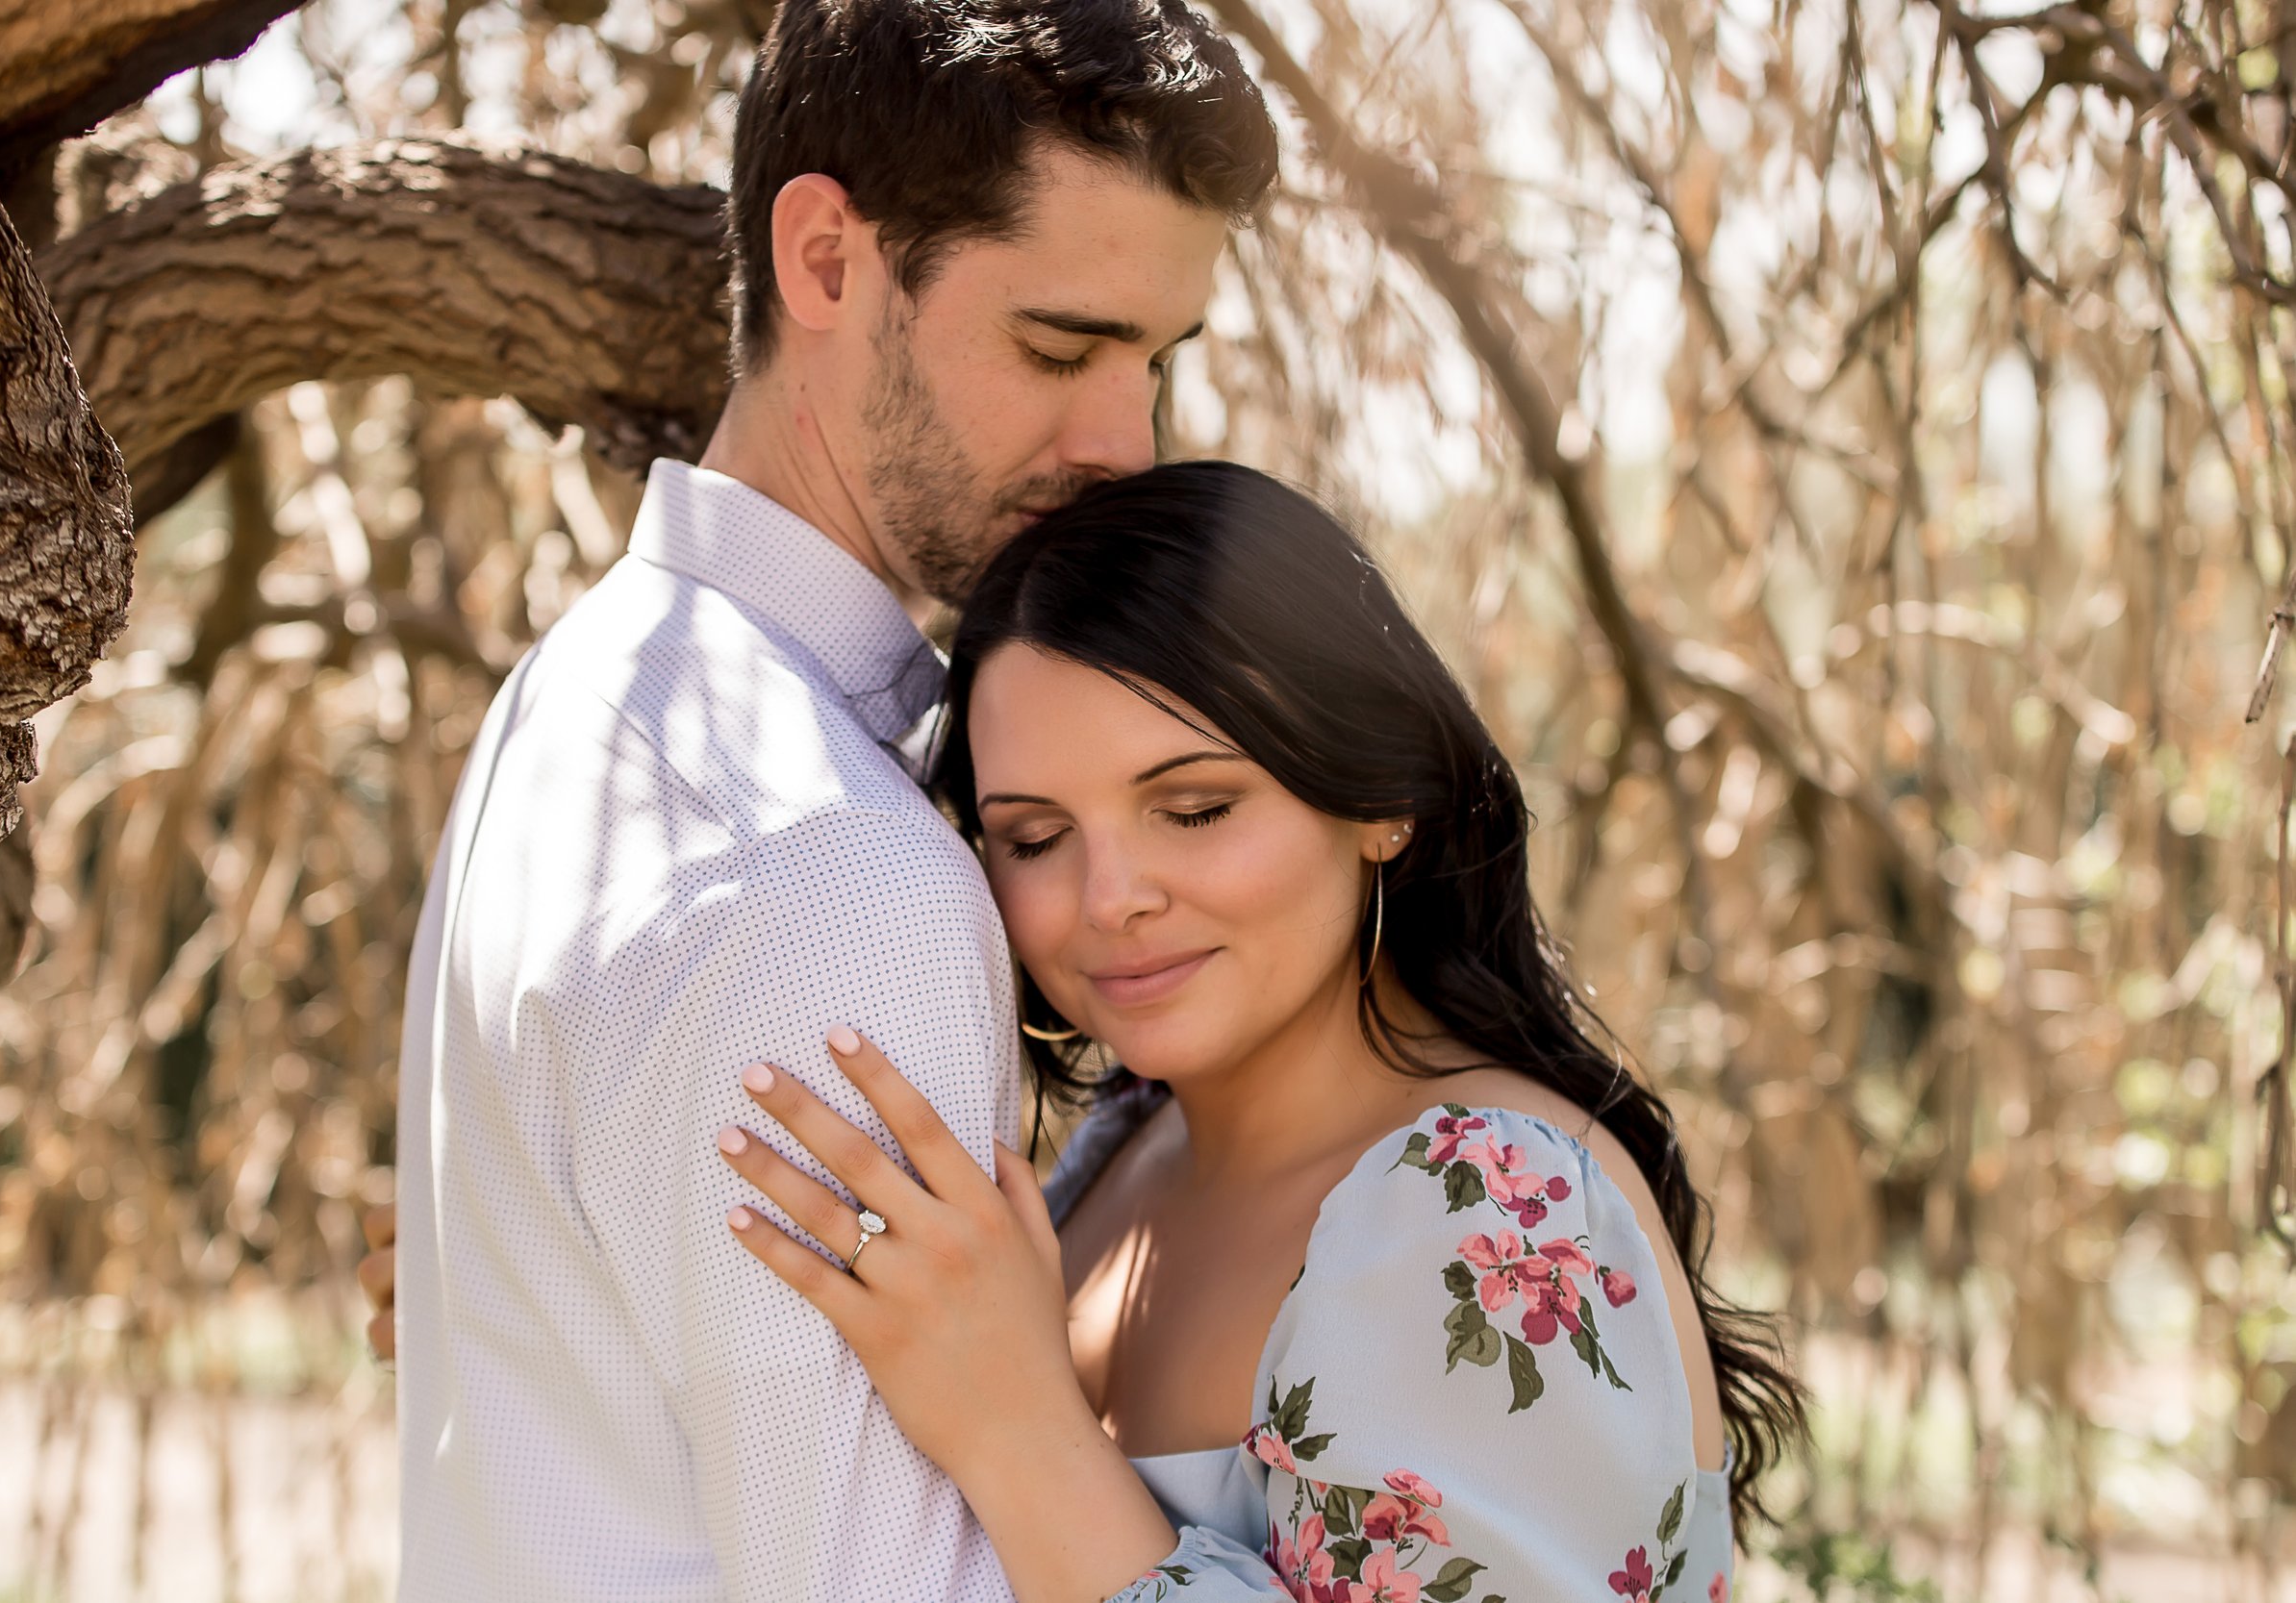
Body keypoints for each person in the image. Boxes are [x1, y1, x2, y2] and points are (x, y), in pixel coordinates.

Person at [391, 2, 1275, 1600]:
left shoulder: (571, 699)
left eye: (1156, 361)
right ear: (825, 261)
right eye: (1059, 347)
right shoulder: (837, 874)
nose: (1125, 443)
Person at [711, 462, 1804, 1602]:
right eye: (1033, 837)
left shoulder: (1482, 1199)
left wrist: (1017, 1430)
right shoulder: (1116, 1155)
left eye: (1194, 808)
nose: (1109, 898)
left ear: (1381, 800)